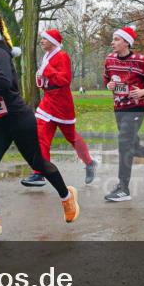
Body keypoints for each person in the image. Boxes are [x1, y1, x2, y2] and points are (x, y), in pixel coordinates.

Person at [0, 12, 80, 235]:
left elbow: (4, 83)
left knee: (39, 163)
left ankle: (67, 197)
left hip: (19, 119)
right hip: (1, 120)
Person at [20, 29, 98, 188]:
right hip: (48, 101)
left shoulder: (62, 56)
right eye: (41, 38)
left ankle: (90, 163)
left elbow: (65, 79)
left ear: (54, 42)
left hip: (62, 104)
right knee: (40, 136)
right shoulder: (47, 56)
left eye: (44, 39)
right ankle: (39, 173)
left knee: (72, 137)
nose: (41, 41)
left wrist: (46, 71)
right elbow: (47, 77)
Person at [103, 26, 144, 202]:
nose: (112, 42)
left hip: (136, 108)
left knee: (124, 144)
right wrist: (109, 86)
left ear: (126, 42)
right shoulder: (109, 60)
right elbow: (106, 80)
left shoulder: (141, 61)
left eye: (116, 39)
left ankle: (123, 189)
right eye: (113, 39)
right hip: (119, 108)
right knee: (132, 147)